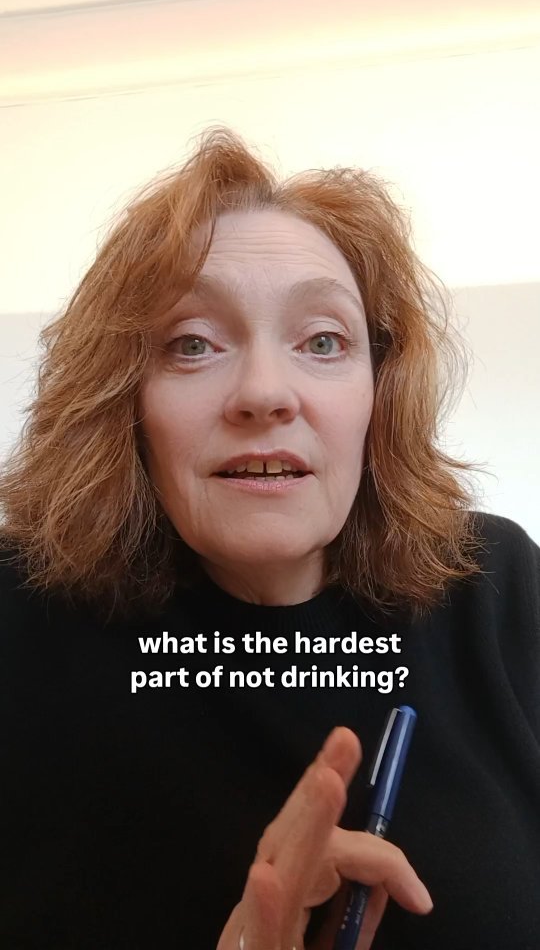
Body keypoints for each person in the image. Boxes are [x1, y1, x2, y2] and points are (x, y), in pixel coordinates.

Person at [0, 126, 539, 950]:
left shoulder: (496, 588)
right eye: (193, 344)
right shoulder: (17, 616)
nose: (263, 392)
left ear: (379, 392)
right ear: (124, 399)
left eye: (323, 341)